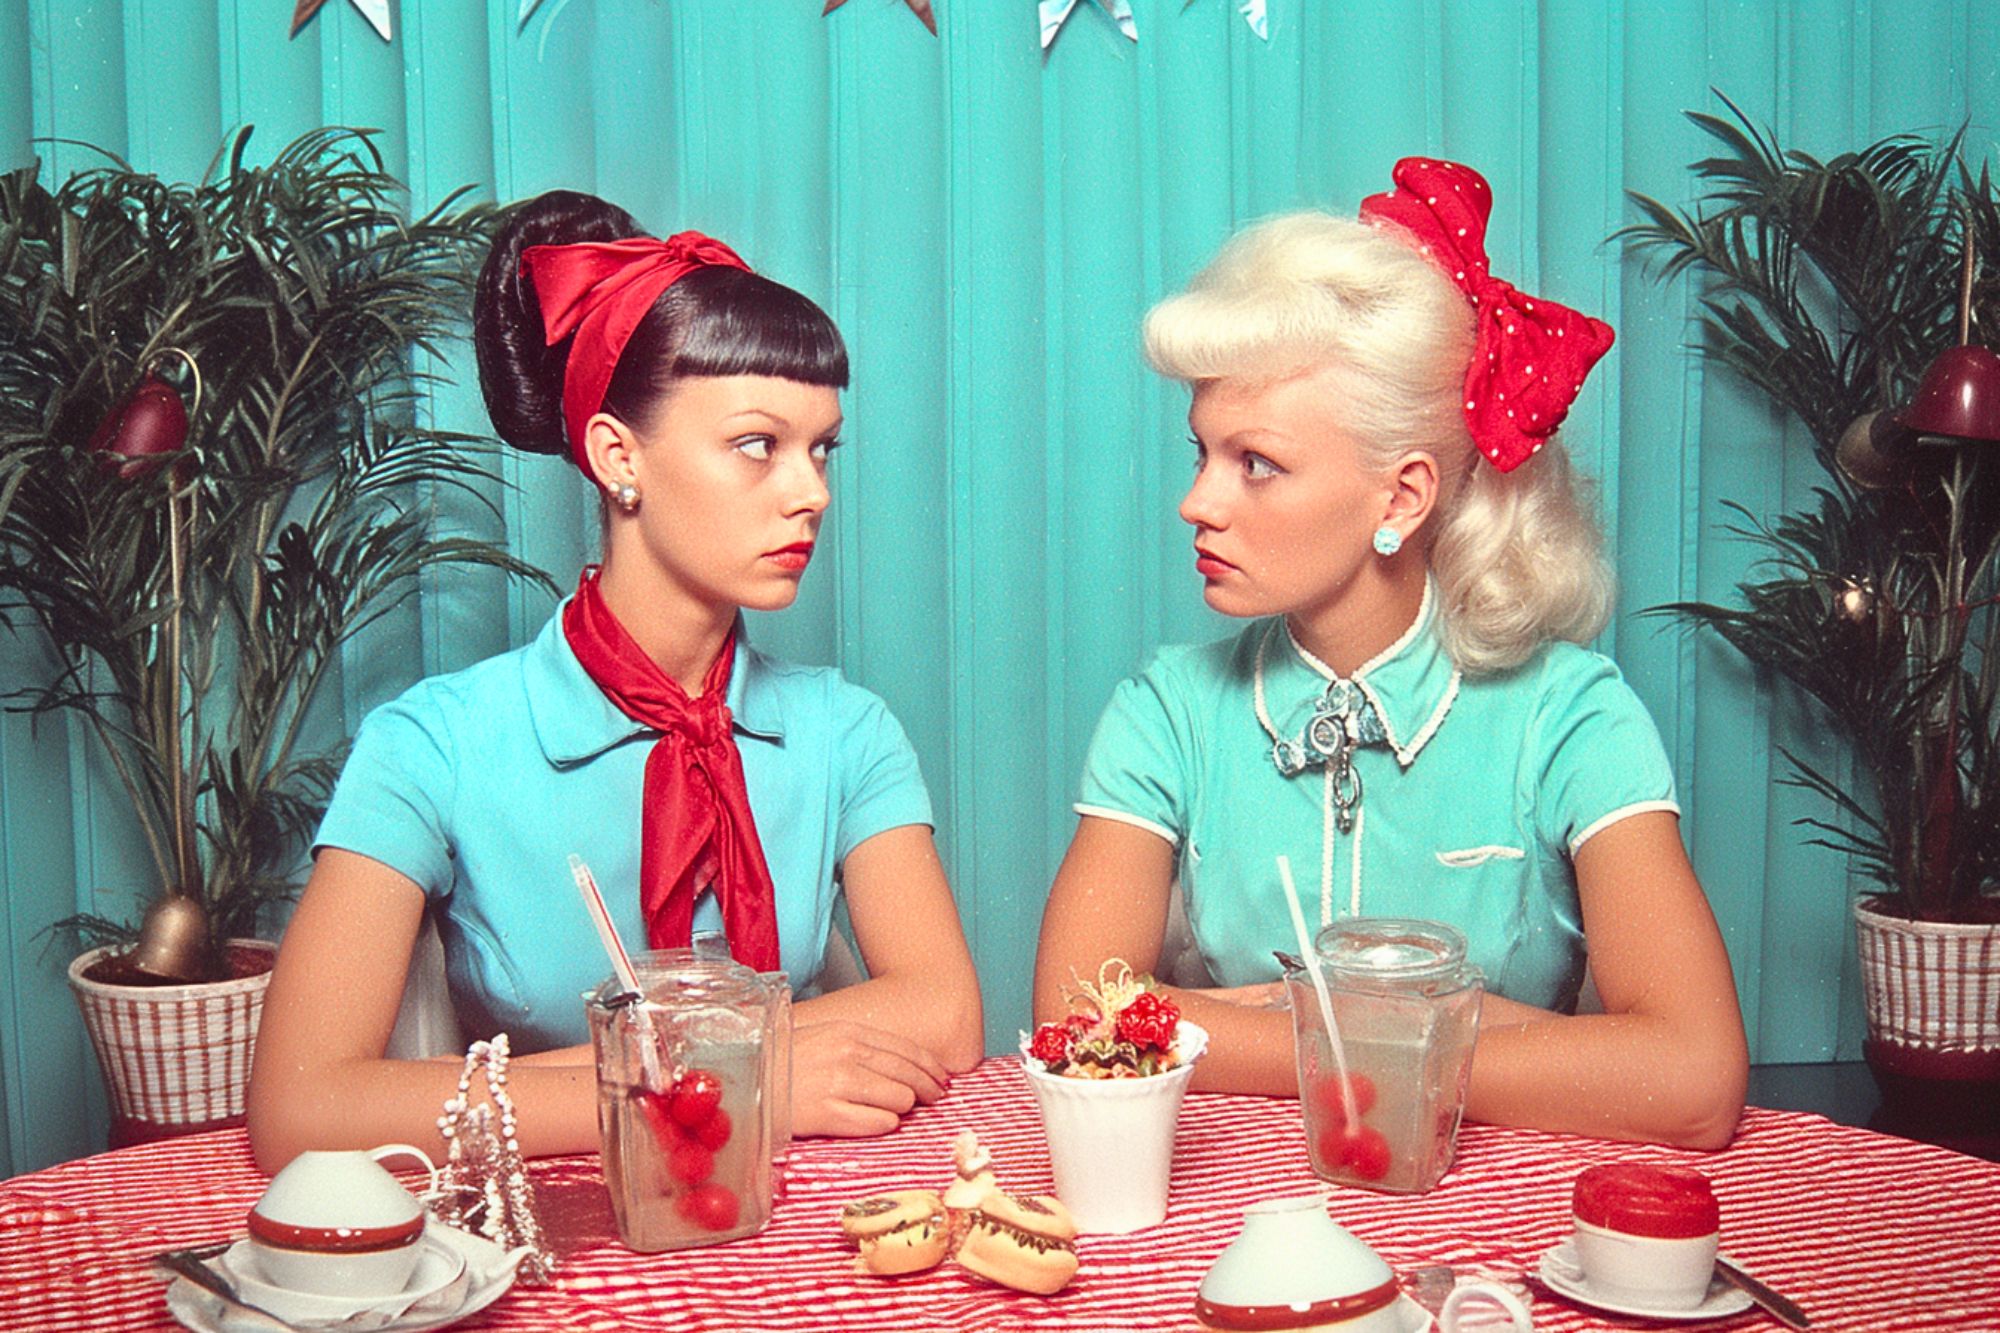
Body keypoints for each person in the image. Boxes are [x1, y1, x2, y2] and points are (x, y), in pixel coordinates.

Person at [249, 192, 983, 1172]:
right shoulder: (432, 744)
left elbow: (944, 1008)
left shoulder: (846, 731)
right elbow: (301, 1104)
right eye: (757, 444)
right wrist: (714, 1078)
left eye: (821, 449)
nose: (811, 491)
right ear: (615, 454)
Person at [1033, 158, 1747, 1150]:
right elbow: (1080, 1020)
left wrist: (1241, 1024)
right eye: (1200, 453)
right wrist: (1474, 1032)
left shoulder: (1572, 714)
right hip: (1231, 1213)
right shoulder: (1164, 709)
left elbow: (1691, 1076)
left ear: (1400, 497)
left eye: (1256, 464)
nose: (1197, 502)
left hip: (1501, 1239)